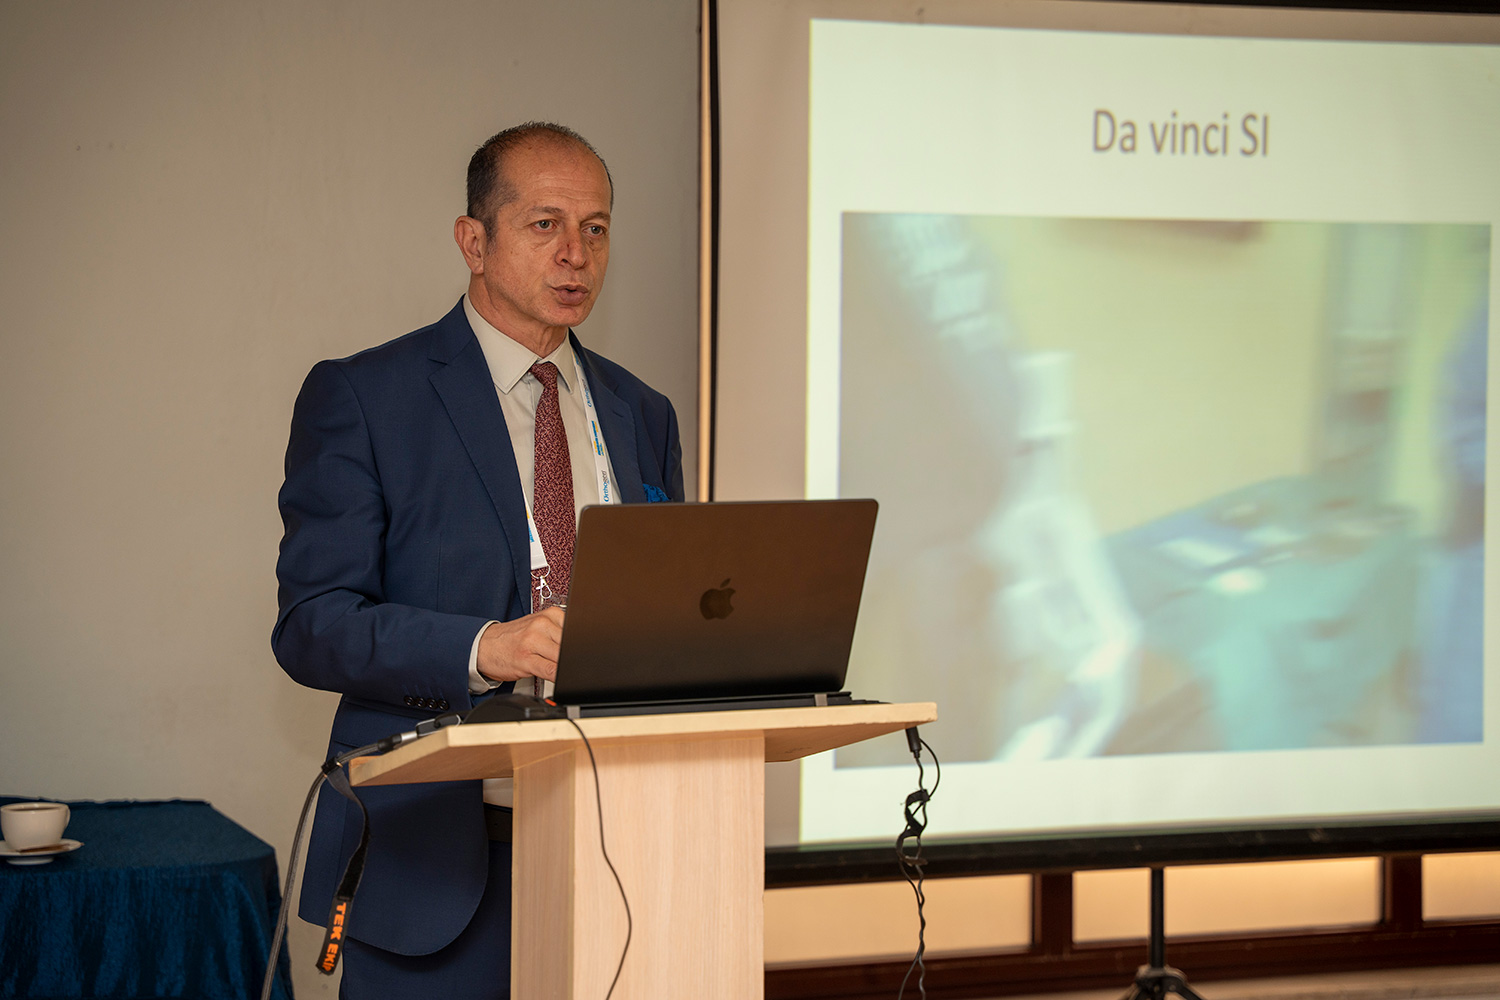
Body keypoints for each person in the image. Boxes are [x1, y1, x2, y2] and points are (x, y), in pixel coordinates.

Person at [272, 122, 684, 998]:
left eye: (597, 228)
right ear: (474, 241)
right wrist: (483, 647)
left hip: (619, 858)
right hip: (438, 862)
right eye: (544, 225)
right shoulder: (366, 397)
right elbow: (313, 625)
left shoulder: (642, 412)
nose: (576, 254)